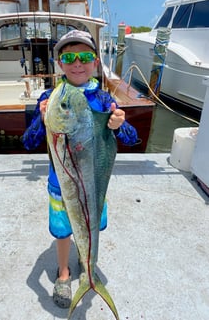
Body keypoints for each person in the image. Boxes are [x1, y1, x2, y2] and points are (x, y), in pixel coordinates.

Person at [23, 30, 138, 309]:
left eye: (85, 56)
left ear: (96, 62)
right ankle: (64, 273)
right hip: (60, 185)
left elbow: (132, 138)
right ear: (60, 63)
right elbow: (29, 142)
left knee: (92, 228)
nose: (77, 63)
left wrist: (119, 124)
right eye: (69, 57)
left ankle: (88, 266)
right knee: (63, 232)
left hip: (94, 186)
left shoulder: (103, 98)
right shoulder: (51, 98)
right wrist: (41, 119)